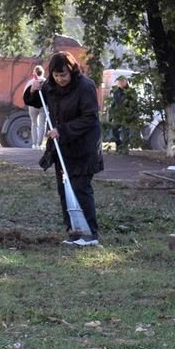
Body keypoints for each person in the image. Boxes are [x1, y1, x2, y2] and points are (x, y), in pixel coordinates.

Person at [24, 51, 104, 246]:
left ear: (72, 70)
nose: (60, 79)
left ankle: (90, 234)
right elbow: (33, 101)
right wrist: (32, 90)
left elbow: (90, 117)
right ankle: (74, 232)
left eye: (64, 75)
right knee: (64, 189)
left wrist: (63, 130)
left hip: (84, 145)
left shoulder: (85, 86)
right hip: (62, 147)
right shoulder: (50, 85)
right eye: (56, 75)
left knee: (80, 187)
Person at [108, 75, 136, 153]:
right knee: (114, 130)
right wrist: (111, 114)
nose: (121, 83)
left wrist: (132, 114)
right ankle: (119, 145)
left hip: (127, 114)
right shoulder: (116, 91)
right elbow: (114, 103)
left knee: (125, 132)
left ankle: (125, 148)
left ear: (126, 82)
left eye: (122, 81)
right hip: (117, 114)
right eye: (119, 81)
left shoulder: (131, 91)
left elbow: (134, 104)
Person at [25, 65, 47, 150]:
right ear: (43, 72)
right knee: (42, 124)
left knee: (34, 124)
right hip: (43, 106)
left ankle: (34, 144)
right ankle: (39, 144)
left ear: (35, 72)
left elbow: (25, 93)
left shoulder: (31, 82)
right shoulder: (46, 82)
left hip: (33, 106)